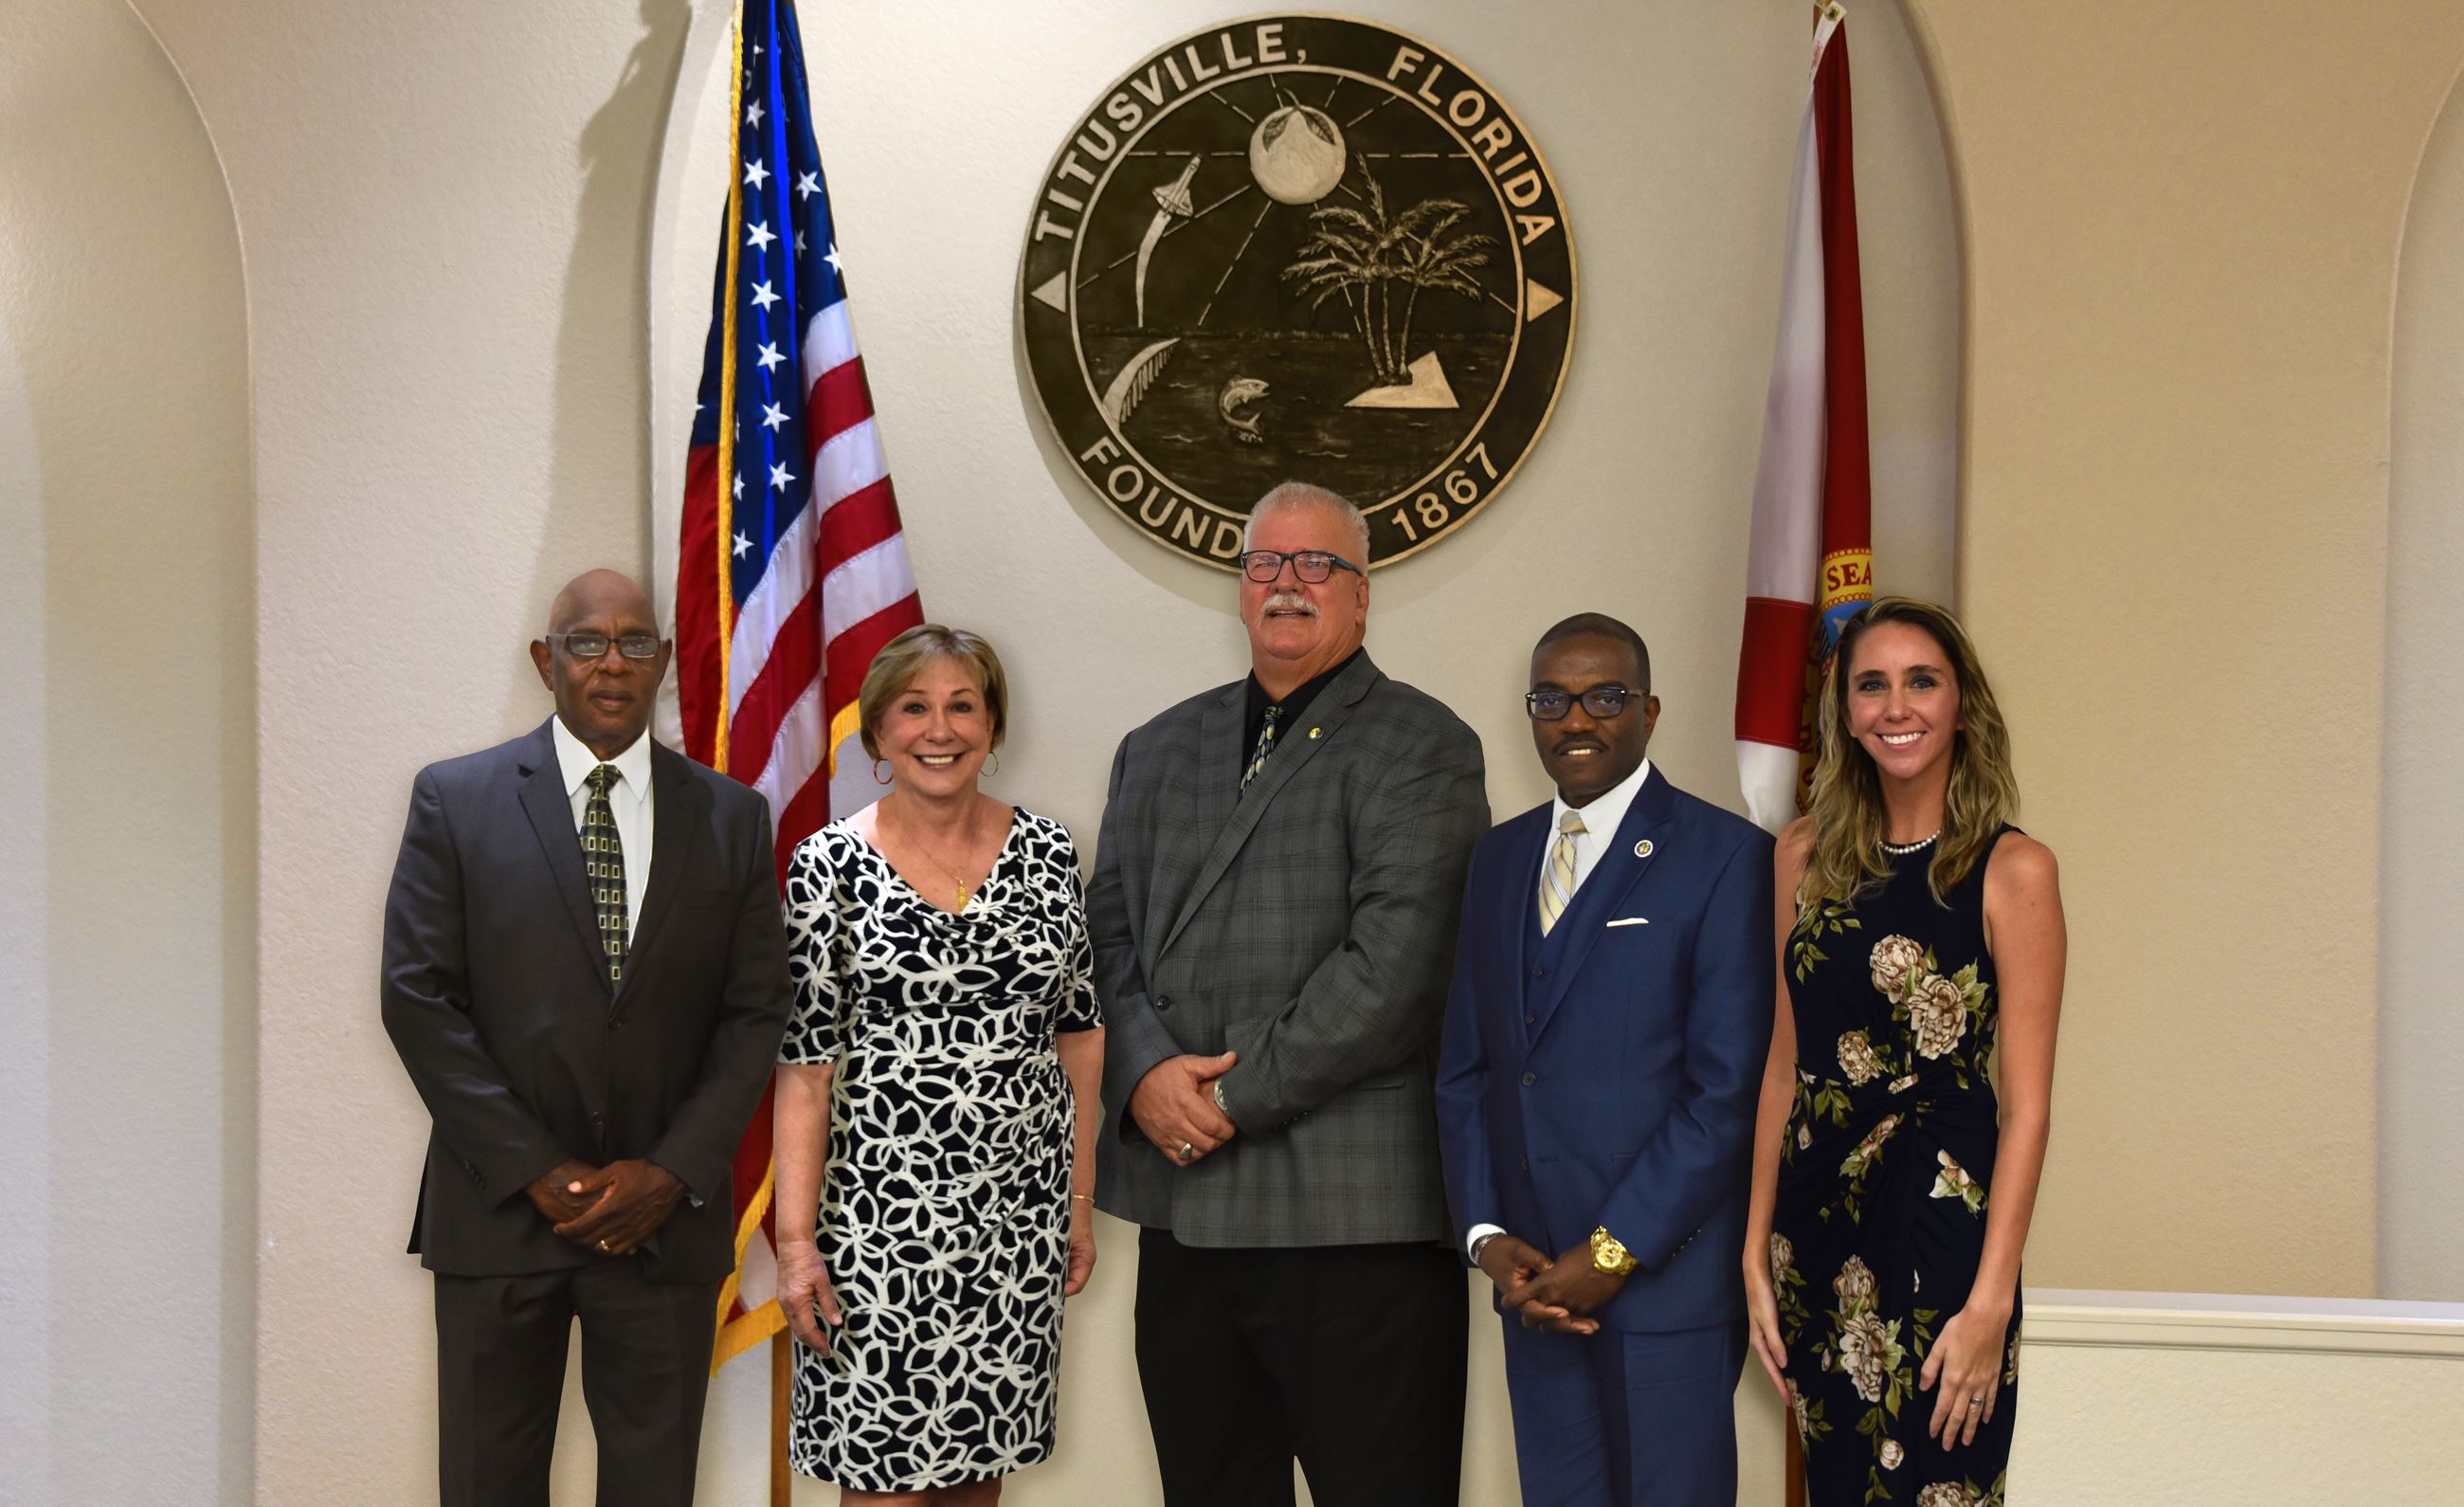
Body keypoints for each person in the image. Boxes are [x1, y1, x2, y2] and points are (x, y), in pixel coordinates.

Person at [1090, 482, 1489, 1507]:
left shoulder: (1422, 745)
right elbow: (1107, 933)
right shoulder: (1154, 746)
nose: (1287, 584)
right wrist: (1141, 1076)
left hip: (1353, 1228)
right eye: (1265, 563)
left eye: (1317, 565)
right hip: (1186, 1229)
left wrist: (1213, 1101)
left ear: (1362, 599)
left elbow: (1391, 973)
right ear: (1238, 592)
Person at [380, 569, 793, 1507]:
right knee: (489, 1488)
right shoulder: (457, 799)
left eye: (635, 643)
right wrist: (537, 1170)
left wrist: (671, 1171)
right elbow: (416, 998)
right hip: (499, 1216)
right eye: (587, 642)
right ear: (545, 661)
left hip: (662, 1224)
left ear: (664, 664)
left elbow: (755, 1009)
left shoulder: (730, 817)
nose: (613, 662)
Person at [1435, 612, 1776, 1507]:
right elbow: (1469, 1069)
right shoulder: (1499, 858)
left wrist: (1615, 1250)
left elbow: (1726, 1093)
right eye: (1552, 699)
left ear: (1650, 711)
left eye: (1604, 697)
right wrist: (1485, 1238)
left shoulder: (1727, 857)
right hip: (1536, 1283)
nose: (1575, 719)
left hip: (1667, 1292)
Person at [1742, 597, 2066, 1506]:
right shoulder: (1801, 856)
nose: (1896, 706)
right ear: (1843, 713)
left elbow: (2028, 1106)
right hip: (1813, 1226)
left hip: (1943, 1230)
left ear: (1963, 703)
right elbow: (1781, 1067)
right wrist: (1753, 1245)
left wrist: (1993, 1298)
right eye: (1870, 685)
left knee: (1941, 1485)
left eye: (1921, 681)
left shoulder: (2013, 870)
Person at [771, 625, 1106, 1502]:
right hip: (875, 1241)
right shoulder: (826, 868)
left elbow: (1079, 1035)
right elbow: (805, 1070)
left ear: (993, 726)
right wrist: (798, 1246)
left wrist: (1076, 1205)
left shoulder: (1052, 854)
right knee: (884, 1486)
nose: (940, 729)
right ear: (879, 732)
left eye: (963, 705)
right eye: (914, 708)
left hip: (1014, 1230)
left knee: (976, 1485)